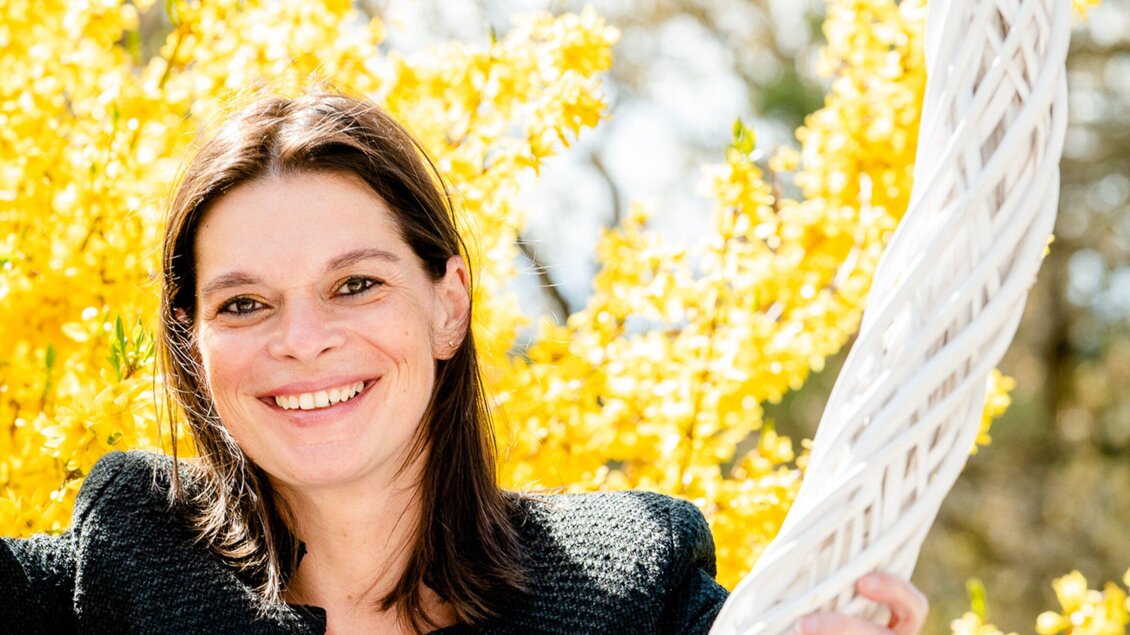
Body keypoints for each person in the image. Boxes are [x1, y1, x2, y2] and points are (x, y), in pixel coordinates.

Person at [0, 92, 928, 634]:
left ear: (450, 305)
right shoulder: (118, 566)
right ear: (194, 349)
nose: (302, 339)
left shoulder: (635, 591)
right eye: (243, 303)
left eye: (356, 284)